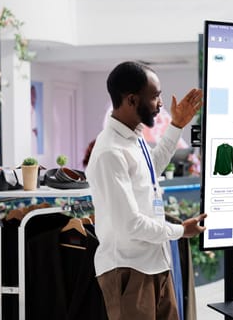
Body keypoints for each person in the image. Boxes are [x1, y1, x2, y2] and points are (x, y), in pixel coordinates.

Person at [85, 61, 206, 320]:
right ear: (131, 100)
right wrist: (180, 231)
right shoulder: (110, 152)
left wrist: (177, 125)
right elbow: (131, 225)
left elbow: (153, 168)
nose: (161, 103)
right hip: (127, 270)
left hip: (155, 263)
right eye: (155, 96)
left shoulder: (135, 136)